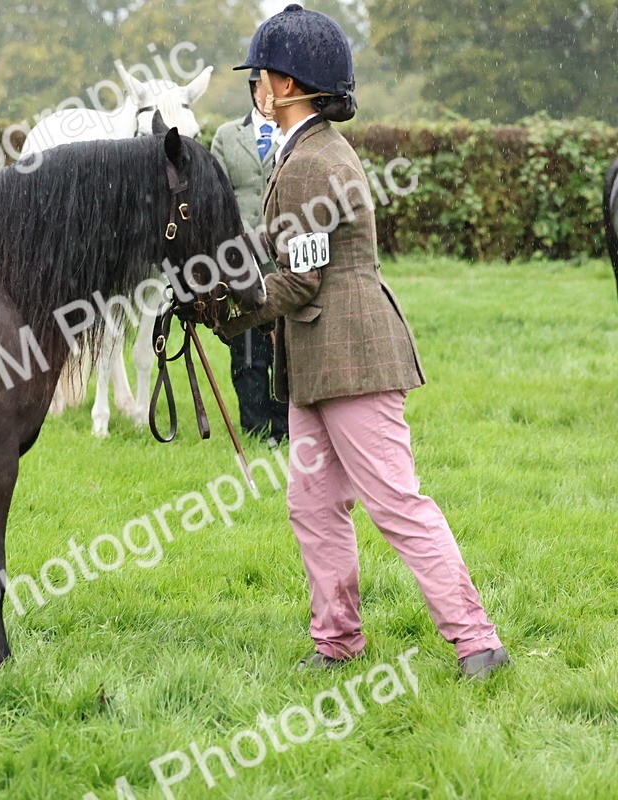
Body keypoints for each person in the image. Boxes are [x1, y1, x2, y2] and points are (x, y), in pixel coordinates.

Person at [206, 4, 508, 680]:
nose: (254, 83)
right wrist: (212, 270)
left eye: (260, 74)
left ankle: (478, 641)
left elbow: (302, 279)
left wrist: (229, 312)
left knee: (397, 503)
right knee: (312, 504)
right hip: (316, 365)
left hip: (352, 358)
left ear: (284, 86)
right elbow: (275, 243)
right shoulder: (302, 153)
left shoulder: (315, 161)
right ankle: (337, 642)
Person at [210, 69, 289, 444]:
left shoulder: (294, 137)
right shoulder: (226, 136)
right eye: (264, 85)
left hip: (285, 259)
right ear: (254, 88)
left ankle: (286, 426)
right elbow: (216, 197)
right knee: (247, 352)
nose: (271, 94)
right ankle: (256, 429)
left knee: (284, 348)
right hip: (239, 261)